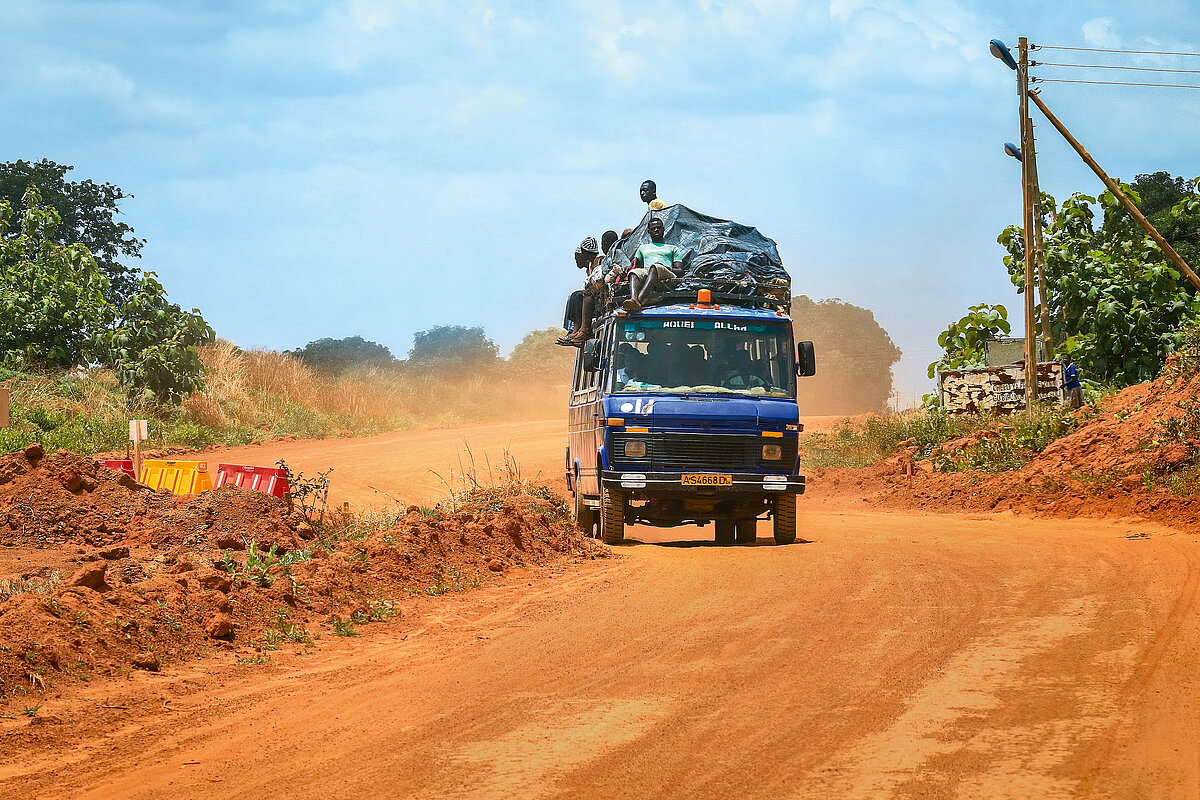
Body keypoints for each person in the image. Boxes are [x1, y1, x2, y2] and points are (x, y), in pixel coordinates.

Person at [622, 216, 683, 314]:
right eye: (653, 228)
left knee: (655, 267)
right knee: (634, 272)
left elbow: (680, 271)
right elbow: (637, 268)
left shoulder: (673, 248)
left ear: (663, 229)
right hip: (648, 272)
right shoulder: (642, 248)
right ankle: (633, 298)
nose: (656, 230)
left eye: (658, 227)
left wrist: (668, 268)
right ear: (648, 231)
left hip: (666, 276)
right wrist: (629, 268)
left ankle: (638, 301)